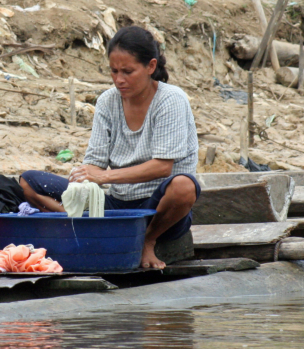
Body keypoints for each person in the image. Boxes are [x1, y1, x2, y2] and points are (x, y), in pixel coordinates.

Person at [20, 25, 200, 270]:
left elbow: (162, 167)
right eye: (114, 71)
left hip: (157, 207)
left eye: (128, 71)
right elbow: (95, 161)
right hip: (117, 206)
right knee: (28, 182)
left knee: (184, 186)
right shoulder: (107, 101)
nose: (119, 79)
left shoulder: (171, 99)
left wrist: (103, 176)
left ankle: (147, 240)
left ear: (150, 66)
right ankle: (75, 223)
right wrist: (83, 180)